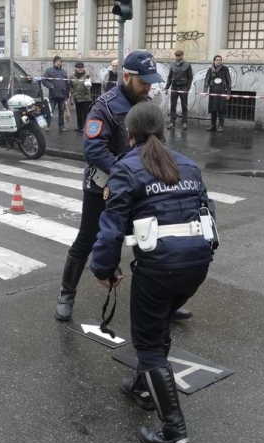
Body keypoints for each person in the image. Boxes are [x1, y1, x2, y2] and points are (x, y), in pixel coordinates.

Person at [90, 102, 216, 443]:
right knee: (158, 324)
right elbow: (207, 212)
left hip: (159, 266)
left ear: (129, 134)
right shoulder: (188, 165)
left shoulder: (126, 169)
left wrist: (103, 269)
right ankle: (144, 387)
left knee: (147, 342)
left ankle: (174, 434)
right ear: (164, 131)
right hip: (198, 263)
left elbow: (111, 228)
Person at [54, 51, 193, 323]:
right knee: (87, 239)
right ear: (126, 76)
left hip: (140, 188)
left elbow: (158, 143)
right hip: (103, 187)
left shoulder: (147, 103)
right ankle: (66, 293)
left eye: (151, 82)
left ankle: (165, 301)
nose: (148, 87)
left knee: (153, 240)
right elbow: (93, 149)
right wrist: (126, 172)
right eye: (144, 82)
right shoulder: (103, 106)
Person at [164, 50, 193, 130]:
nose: (177, 57)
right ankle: (172, 123)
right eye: (176, 55)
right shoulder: (172, 65)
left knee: (184, 106)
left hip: (183, 88)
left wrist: (188, 88)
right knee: (173, 106)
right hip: (174, 87)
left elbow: (190, 77)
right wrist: (167, 87)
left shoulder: (187, 65)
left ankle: (184, 122)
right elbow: (169, 77)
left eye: (179, 55)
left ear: (182, 55)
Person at [204, 55, 232, 132]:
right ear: (214, 61)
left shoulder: (225, 69)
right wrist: (205, 91)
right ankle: (213, 125)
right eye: (217, 59)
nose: (218, 61)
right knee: (213, 109)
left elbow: (228, 81)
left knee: (221, 109)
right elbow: (207, 80)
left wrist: (228, 93)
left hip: (221, 91)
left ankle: (220, 125)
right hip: (212, 91)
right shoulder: (210, 69)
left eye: (220, 59)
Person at [42, 55, 70, 131]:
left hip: (62, 95)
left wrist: (67, 95)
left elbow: (67, 84)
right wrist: (51, 86)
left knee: (61, 111)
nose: (58, 63)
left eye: (60, 61)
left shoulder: (64, 72)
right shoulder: (49, 71)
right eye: (57, 61)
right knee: (50, 110)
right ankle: (47, 125)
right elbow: (44, 81)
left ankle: (61, 126)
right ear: (54, 62)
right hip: (53, 95)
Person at [69, 62, 93, 132]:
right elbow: (70, 86)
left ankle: (85, 127)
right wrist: (72, 93)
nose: (80, 69)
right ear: (76, 68)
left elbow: (90, 84)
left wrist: (89, 76)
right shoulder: (72, 76)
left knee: (85, 113)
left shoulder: (87, 75)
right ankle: (79, 126)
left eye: (81, 67)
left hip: (86, 97)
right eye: (78, 67)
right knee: (78, 113)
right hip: (77, 97)